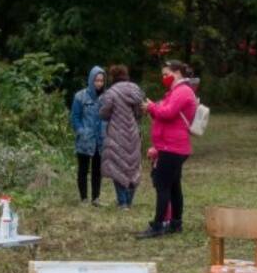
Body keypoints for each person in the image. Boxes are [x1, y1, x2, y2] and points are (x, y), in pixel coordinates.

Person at [138, 59, 198, 239]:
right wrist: (154, 107)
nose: (164, 78)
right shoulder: (176, 91)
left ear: (178, 72)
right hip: (172, 146)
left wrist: (151, 107)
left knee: (163, 186)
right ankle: (175, 223)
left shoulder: (182, 91)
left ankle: (158, 225)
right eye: (163, 75)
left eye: (167, 74)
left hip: (173, 147)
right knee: (173, 186)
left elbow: (168, 112)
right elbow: (163, 110)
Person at [98, 64, 146, 209]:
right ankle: (130, 200)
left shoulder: (111, 93)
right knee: (133, 165)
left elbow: (104, 114)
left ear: (113, 77)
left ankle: (123, 202)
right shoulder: (135, 89)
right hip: (132, 131)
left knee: (117, 166)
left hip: (116, 133)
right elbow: (139, 112)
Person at [70, 66, 107, 206]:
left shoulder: (106, 97)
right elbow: (75, 117)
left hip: (100, 139)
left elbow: (109, 117)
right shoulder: (80, 96)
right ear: (91, 80)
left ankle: (96, 198)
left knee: (97, 170)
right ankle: (84, 198)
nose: (99, 83)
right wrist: (81, 131)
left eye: (102, 80)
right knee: (83, 170)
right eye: (97, 80)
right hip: (85, 139)